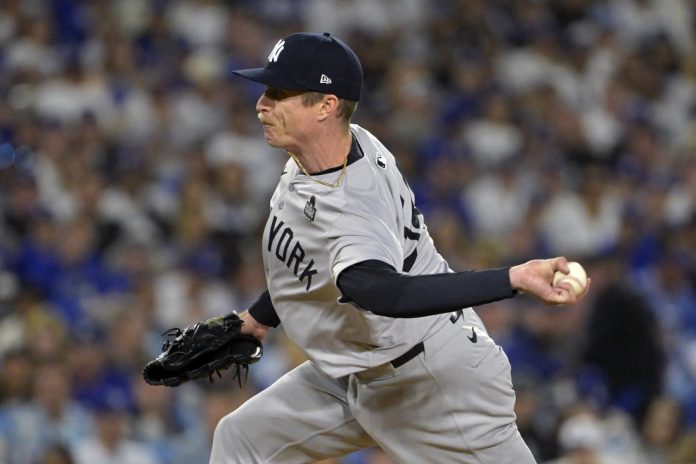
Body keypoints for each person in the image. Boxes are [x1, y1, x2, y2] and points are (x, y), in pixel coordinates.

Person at [211, 31, 591, 463]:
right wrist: (257, 319)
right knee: (241, 438)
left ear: (326, 106)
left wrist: (513, 278)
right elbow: (320, 264)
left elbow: (384, 293)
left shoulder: (352, 201)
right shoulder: (341, 146)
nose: (262, 104)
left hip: (435, 386)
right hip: (361, 369)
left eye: (280, 93)